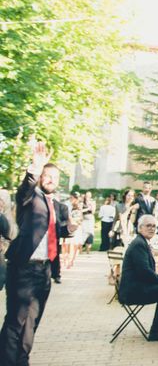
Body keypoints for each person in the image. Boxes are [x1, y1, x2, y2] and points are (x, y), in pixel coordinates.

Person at [0, 141, 79, 366]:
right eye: (47, 175)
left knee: (32, 321)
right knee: (16, 320)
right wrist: (35, 167)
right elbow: (25, 188)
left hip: (44, 270)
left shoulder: (52, 203)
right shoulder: (29, 197)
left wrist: (68, 230)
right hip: (24, 268)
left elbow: (50, 232)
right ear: (40, 177)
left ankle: (22, 360)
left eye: (55, 176)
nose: (51, 179)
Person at [118, 214, 158, 342]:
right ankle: (156, 332)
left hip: (138, 286)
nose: (152, 229)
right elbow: (144, 272)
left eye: (154, 226)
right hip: (131, 292)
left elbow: (146, 272)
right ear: (140, 228)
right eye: (148, 225)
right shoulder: (139, 244)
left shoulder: (142, 241)